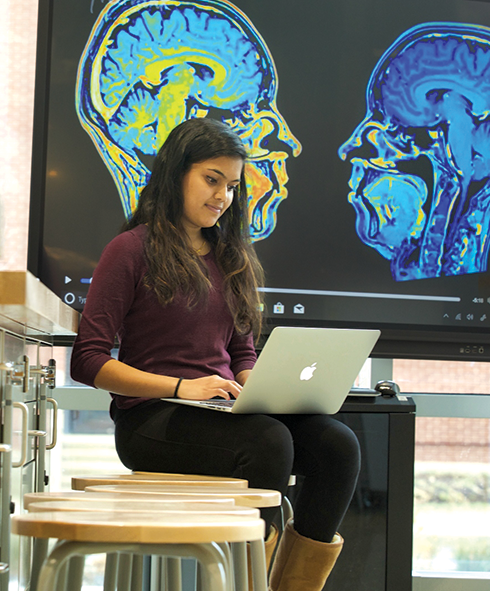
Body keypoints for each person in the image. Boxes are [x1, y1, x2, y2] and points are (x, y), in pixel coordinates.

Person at [70, 117, 361, 591]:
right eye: (211, 179)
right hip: (150, 421)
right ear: (176, 173)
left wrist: (256, 382)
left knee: (338, 446)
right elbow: (88, 360)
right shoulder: (129, 250)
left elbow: (241, 350)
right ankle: (244, 582)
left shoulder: (230, 256)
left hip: (219, 411)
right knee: (268, 442)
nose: (222, 195)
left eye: (231, 185)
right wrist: (183, 387)